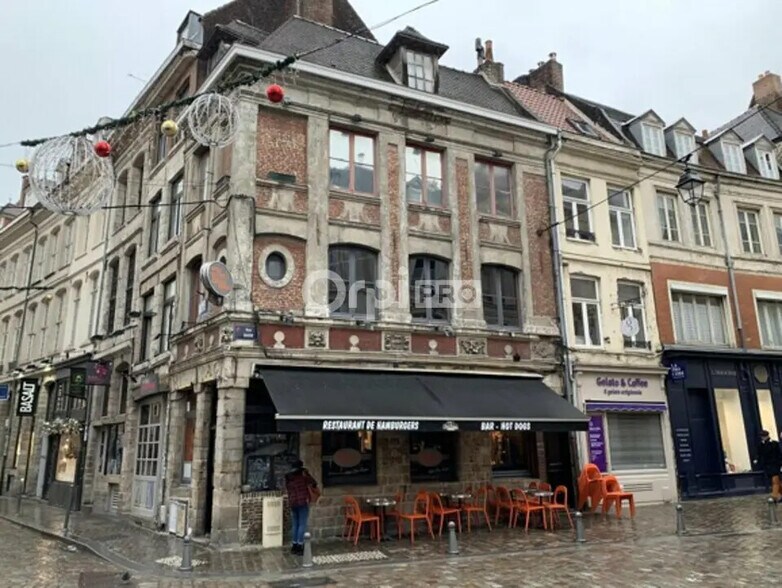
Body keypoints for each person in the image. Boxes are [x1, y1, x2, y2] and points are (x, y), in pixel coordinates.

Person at [284, 459, 318, 554]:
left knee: (295, 524)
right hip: (302, 502)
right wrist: (307, 473)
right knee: (302, 524)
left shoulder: (288, 478)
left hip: (293, 502)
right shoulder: (303, 477)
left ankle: (294, 545)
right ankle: (300, 545)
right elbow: (314, 483)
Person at [756, 430, 781, 502]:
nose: (763, 438)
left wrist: (780, 463)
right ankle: (780, 494)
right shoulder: (761, 445)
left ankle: (774, 496)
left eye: (764, 436)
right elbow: (759, 455)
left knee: (775, 480)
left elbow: (779, 454)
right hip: (767, 465)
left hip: (775, 464)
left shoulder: (774, 443)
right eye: (762, 436)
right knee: (775, 481)